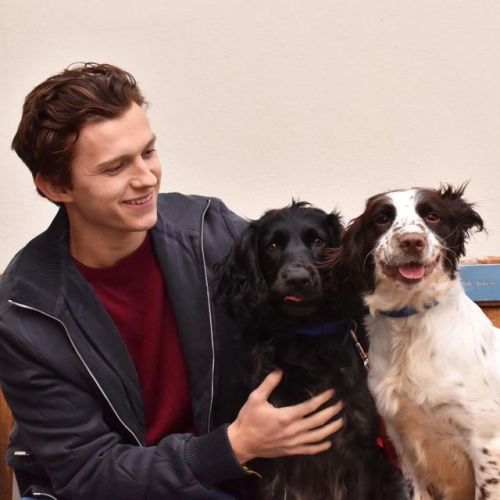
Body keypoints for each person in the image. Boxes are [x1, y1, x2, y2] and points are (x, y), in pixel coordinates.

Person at [0, 63, 344, 500]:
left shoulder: (211, 232)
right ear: (54, 185)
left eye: (148, 152)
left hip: (234, 481)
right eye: (114, 168)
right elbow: (88, 473)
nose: (145, 178)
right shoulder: (26, 314)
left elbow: (328, 300)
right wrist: (234, 445)